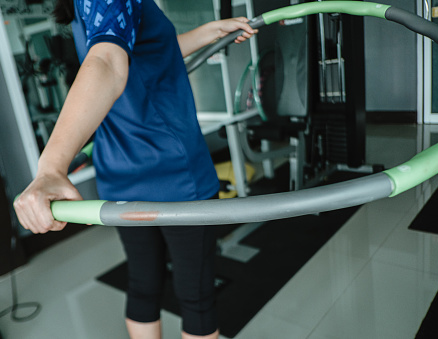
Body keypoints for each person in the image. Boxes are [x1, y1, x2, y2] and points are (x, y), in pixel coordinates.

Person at [13, 0, 256, 338]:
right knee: (196, 297)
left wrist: (212, 31)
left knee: (143, 283)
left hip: (120, 174)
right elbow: (109, 63)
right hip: (176, 175)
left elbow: (146, 54)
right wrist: (52, 166)